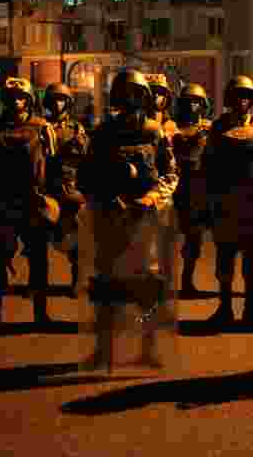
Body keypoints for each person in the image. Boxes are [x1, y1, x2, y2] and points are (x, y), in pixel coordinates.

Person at [76, 69, 179, 369]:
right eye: (126, 93)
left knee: (148, 288)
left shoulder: (154, 132)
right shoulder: (104, 133)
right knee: (106, 285)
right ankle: (102, 348)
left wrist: (151, 198)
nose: (131, 98)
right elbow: (88, 175)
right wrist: (109, 198)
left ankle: (148, 348)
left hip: (146, 218)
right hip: (112, 215)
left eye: (137, 93)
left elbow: (170, 174)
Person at [0, 76, 59, 326]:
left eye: (21, 97)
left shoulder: (43, 128)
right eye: (11, 98)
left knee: (39, 261)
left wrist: (54, 201)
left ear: (30, 100)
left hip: (33, 200)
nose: (16, 102)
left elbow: (53, 167)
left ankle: (41, 314)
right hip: (3, 200)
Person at [203, 75, 253, 327]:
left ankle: (251, 306)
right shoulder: (218, 128)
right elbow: (208, 165)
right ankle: (224, 307)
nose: (242, 100)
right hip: (226, 203)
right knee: (225, 258)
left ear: (252, 100)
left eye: (246, 96)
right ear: (229, 99)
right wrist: (209, 199)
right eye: (238, 95)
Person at [42, 82, 88, 294]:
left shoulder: (76, 129)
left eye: (61, 99)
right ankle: (38, 283)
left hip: (70, 187)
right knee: (37, 239)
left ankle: (76, 280)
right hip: (44, 187)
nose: (57, 103)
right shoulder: (40, 126)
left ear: (68, 102)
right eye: (53, 99)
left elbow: (86, 159)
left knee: (77, 239)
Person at [172, 83, 214, 296]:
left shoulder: (210, 128)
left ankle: (187, 281)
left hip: (201, 188)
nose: (193, 105)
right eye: (189, 102)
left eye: (197, 101)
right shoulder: (173, 128)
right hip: (177, 187)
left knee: (194, 239)